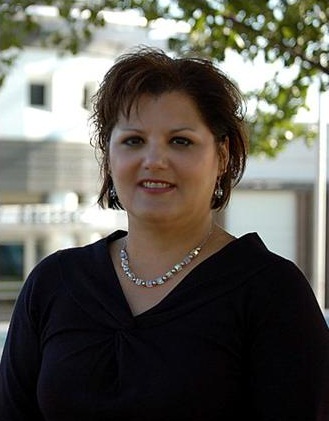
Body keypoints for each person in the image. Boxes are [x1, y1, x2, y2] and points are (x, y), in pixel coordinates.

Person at [0, 46, 328, 421]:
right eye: (133, 140)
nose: (154, 160)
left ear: (222, 156)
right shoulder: (54, 282)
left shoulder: (273, 293)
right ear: (109, 156)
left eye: (181, 141)